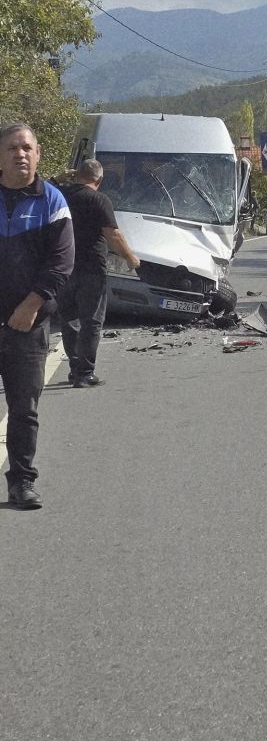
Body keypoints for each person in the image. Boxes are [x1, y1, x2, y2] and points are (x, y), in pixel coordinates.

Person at [0, 123, 75, 509]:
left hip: (27, 326)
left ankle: (22, 482)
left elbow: (61, 264)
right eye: (13, 147)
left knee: (23, 409)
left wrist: (30, 307)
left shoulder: (52, 201)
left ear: (39, 153)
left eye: (27, 147)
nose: (21, 154)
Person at [57, 159, 140, 388]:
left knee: (69, 318)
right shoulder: (99, 199)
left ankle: (75, 370)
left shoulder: (60, 195)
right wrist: (130, 257)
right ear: (100, 180)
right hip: (91, 267)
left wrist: (60, 178)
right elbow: (113, 235)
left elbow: (39, 188)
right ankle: (85, 373)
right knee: (92, 320)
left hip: (62, 267)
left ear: (77, 175)